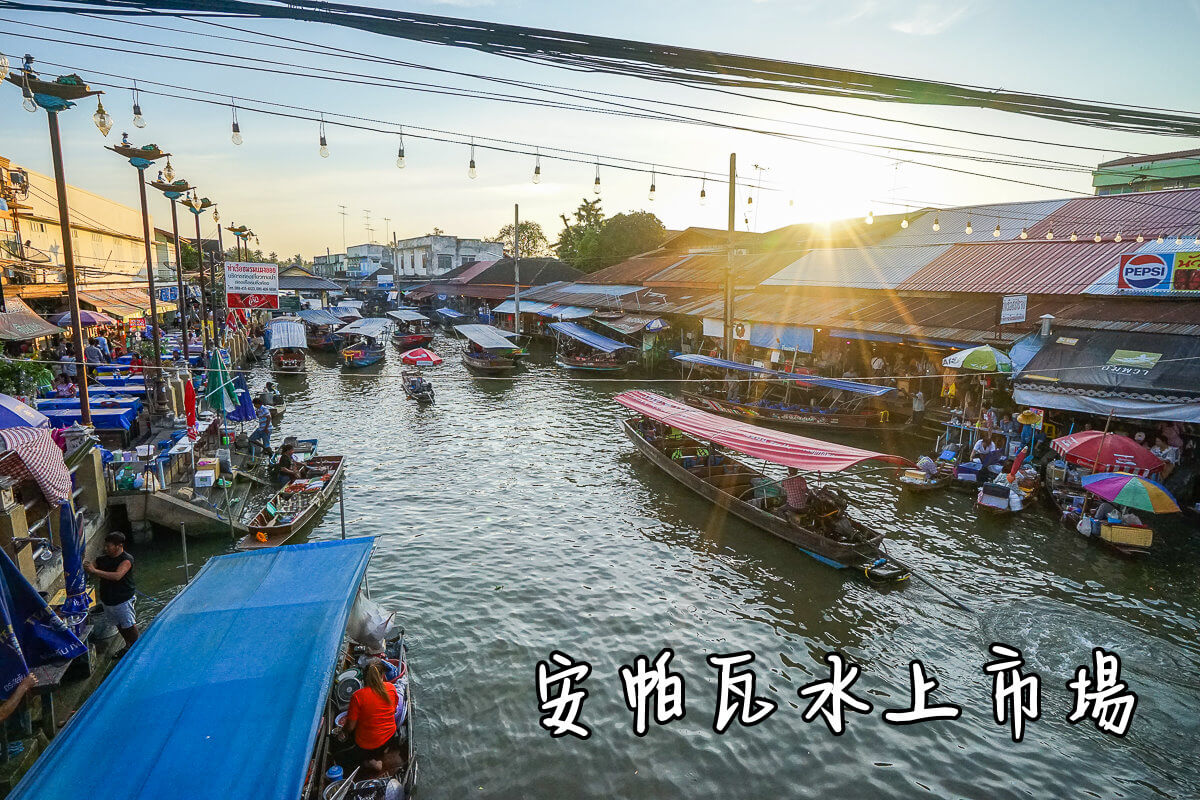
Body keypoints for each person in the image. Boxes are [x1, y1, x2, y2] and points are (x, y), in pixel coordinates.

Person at [84, 532, 139, 655]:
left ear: (118, 546)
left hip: (123, 599)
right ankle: (127, 645)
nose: (106, 548)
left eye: (109, 546)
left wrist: (95, 571)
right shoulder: (103, 559)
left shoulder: (126, 559)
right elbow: (92, 565)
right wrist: (88, 566)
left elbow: (117, 576)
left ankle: (137, 647)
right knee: (119, 624)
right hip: (108, 600)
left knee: (129, 624)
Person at [342, 660, 399, 768]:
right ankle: (384, 751)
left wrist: (342, 732)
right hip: (390, 735)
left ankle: (371, 762)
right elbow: (394, 710)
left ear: (364, 678)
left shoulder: (358, 696)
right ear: (382, 676)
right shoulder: (391, 688)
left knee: (346, 756)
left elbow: (349, 727)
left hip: (367, 745)